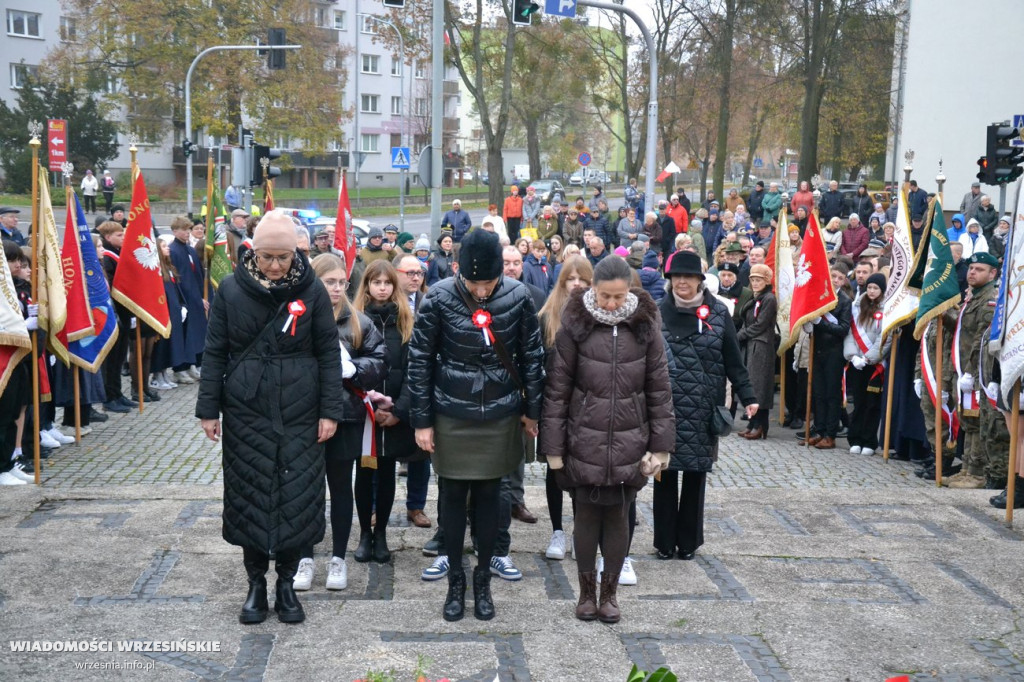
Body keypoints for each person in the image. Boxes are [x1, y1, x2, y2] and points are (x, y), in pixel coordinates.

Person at [196, 211, 344, 625]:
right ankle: (256, 583)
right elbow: (214, 353)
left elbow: (327, 352)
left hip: (301, 408)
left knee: (298, 497)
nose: (275, 266)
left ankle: (286, 585)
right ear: (252, 253)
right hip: (247, 408)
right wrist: (208, 409)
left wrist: (330, 410)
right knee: (250, 494)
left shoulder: (311, 290)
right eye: (267, 258)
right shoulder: (229, 290)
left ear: (295, 252)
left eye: (282, 257)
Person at [407, 228, 545, 622]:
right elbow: (420, 360)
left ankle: (483, 579)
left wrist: (532, 411)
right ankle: (456, 582)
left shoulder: (518, 297)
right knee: (451, 497)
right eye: (474, 283)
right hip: (452, 411)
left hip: (500, 411)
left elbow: (533, 358)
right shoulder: (439, 297)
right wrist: (422, 421)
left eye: (489, 283)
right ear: (458, 272)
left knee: (490, 498)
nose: (482, 291)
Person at [542, 257, 673, 623]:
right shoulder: (575, 324)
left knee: (618, 515)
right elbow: (557, 389)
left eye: (618, 296)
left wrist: (660, 446)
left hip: (631, 437)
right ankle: (585, 593)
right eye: (605, 296)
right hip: (583, 437)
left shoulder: (646, 325)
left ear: (629, 290)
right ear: (593, 289)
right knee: (585, 514)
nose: (612, 304)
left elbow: (660, 388)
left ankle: (610, 594)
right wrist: (554, 448)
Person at [656, 250, 758, 561]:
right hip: (665, 408)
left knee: (695, 475)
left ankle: (688, 542)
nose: (682, 282)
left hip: (702, 408)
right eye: (676, 277)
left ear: (701, 280)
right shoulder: (657, 312)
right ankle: (664, 542)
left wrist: (749, 395)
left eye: (688, 277)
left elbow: (733, 359)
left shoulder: (717, 313)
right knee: (664, 473)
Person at [536, 255, 593, 561]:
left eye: (582, 279)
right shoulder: (547, 317)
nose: (576, 285)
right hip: (554, 406)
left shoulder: (597, 315)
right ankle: (557, 530)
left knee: (582, 471)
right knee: (554, 469)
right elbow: (535, 365)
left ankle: (580, 529)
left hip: (587, 408)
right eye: (570, 279)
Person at [947, 252, 1000, 489]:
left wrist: (969, 371)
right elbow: (961, 330)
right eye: (970, 268)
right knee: (967, 420)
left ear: (992, 273)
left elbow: (980, 340)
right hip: (965, 369)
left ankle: (977, 472)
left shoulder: (990, 299)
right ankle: (967, 467)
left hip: (978, 372)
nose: (972, 272)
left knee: (978, 421)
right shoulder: (973, 297)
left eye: (979, 269)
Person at [800, 265, 853, 449]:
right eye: (833, 276)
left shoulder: (845, 301)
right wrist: (809, 324)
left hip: (834, 352)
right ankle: (819, 430)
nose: (836, 280)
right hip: (818, 349)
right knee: (818, 393)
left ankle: (831, 434)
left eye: (840, 277)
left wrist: (820, 323)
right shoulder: (819, 296)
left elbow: (843, 329)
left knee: (832, 395)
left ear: (844, 280)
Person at [844, 273, 889, 456]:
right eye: (869, 287)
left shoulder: (887, 308)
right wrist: (853, 356)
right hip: (857, 363)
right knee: (859, 403)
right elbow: (850, 333)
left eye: (875, 288)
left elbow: (884, 338)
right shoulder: (857, 306)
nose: (871, 291)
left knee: (872, 404)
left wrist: (869, 358)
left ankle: (869, 440)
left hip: (874, 365)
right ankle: (855, 438)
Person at [736, 264, 778, 440]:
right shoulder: (755, 298)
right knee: (752, 384)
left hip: (761, 345)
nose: (755, 283)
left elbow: (760, 325)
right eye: (753, 279)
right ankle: (752, 422)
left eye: (759, 280)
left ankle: (761, 425)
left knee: (760, 386)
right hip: (751, 344)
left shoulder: (769, 299)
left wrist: (740, 335)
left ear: (766, 280)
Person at [168, 216, 208, 381]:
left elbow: (197, 275)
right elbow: (180, 279)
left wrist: (202, 296)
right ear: (175, 231)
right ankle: (180, 368)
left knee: (198, 333)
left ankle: (195, 364)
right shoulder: (173, 251)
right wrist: (194, 298)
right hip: (186, 299)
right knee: (185, 334)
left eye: (188, 229)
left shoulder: (190, 250)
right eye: (183, 230)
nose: (186, 233)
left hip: (197, 298)